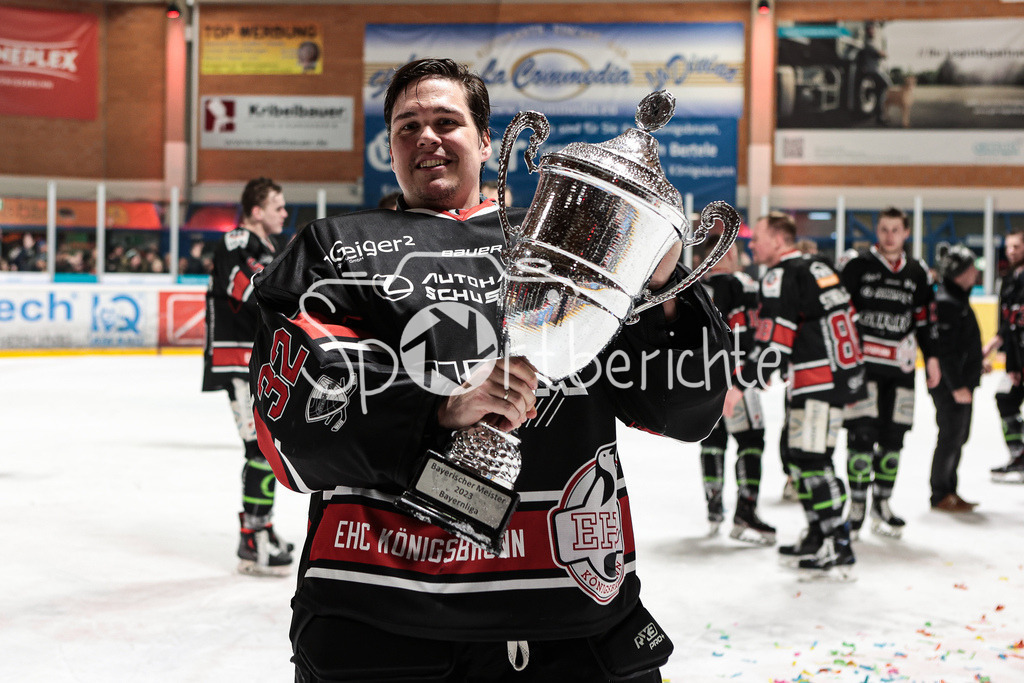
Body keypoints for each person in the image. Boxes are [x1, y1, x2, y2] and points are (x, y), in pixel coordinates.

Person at [247, 58, 730, 682]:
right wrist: (438, 408)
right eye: (406, 126)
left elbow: (685, 410)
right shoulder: (334, 248)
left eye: (447, 122)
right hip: (387, 622)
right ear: (390, 150)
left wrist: (663, 289)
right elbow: (290, 429)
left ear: (484, 140)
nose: (426, 137)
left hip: (577, 623)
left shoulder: (572, 248)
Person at [725, 211, 865, 580]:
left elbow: (775, 339)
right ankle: (821, 535)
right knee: (808, 458)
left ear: (780, 240)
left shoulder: (780, 274)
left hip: (816, 381)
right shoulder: (818, 266)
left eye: (758, 238)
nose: (751, 244)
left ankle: (839, 545)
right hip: (835, 378)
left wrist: (742, 383)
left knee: (810, 461)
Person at [202, 176, 294, 576]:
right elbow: (250, 288)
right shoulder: (237, 241)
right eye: (278, 205)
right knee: (258, 451)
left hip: (256, 363)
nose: (284, 212)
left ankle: (264, 529)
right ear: (256, 211)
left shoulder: (267, 247)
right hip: (239, 364)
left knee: (266, 450)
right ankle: (251, 540)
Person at [839, 207, 940, 539]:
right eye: (883, 229)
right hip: (863, 370)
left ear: (906, 233)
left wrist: (933, 360)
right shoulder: (858, 267)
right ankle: (856, 507)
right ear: (877, 232)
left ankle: (882, 504)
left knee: (893, 441)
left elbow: (925, 320)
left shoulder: (917, 272)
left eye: (896, 229)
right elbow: (839, 315)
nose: (889, 235)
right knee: (860, 438)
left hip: (901, 371)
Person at [697, 240, 776, 544]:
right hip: (737, 377)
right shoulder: (742, 284)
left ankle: (714, 507)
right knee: (751, 440)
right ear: (729, 256)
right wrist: (755, 373)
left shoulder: (695, 289)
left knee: (712, 441)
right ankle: (746, 510)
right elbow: (751, 329)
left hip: (701, 380)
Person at [929, 245, 983, 512]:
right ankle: (940, 493)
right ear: (960, 272)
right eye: (971, 267)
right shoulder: (948, 302)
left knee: (958, 436)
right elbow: (945, 351)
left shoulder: (957, 299)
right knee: (951, 436)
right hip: (952, 387)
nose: (976, 272)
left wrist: (976, 366)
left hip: (960, 383)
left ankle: (949, 489)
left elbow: (961, 346)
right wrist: (957, 385)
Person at [982, 229, 1024, 483]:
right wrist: (987, 350)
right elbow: (1005, 329)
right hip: (1016, 362)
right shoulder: (1007, 283)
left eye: (1017, 246)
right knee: (1005, 399)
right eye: (1008, 247)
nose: (1011, 251)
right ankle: (1018, 455)